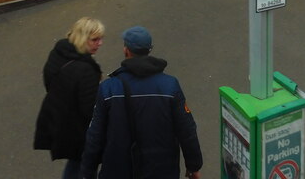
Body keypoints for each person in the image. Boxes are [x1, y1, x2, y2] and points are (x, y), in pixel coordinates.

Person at [80, 26, 202, 179]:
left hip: (118, 170)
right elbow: (187, 130)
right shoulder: (170, 85)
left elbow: (95, 135)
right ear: (149, 49)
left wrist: (87, 172)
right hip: (162, 170)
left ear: (126, 50)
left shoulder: (109, 88)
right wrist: (193, 166)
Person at [34, 17, 105, 179]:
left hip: (60, 120)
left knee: (76, 163)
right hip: (79, 130)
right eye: (95, 39)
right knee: (86, 165)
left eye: (101, 39)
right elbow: (90, 110)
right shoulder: (86, 70)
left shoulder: (58, 52)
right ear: (82, 38)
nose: (100, 43)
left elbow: (49, 81)